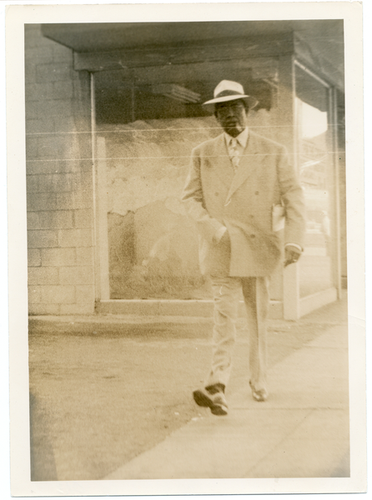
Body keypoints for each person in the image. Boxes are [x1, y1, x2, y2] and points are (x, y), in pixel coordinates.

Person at [182, 80, 306, 416]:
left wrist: (294, 239)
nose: (230, 118)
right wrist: (214, 229)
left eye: (236, 110)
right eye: (223, 113)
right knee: (224, 318)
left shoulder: (273, 151)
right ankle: (217, 385)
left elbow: (293, 196)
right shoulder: (202, 154)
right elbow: (190, 199)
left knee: (256, 319)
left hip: (257, 244)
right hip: (221, 246)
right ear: (216, 118)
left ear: (246, 112)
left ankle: (259, 378)